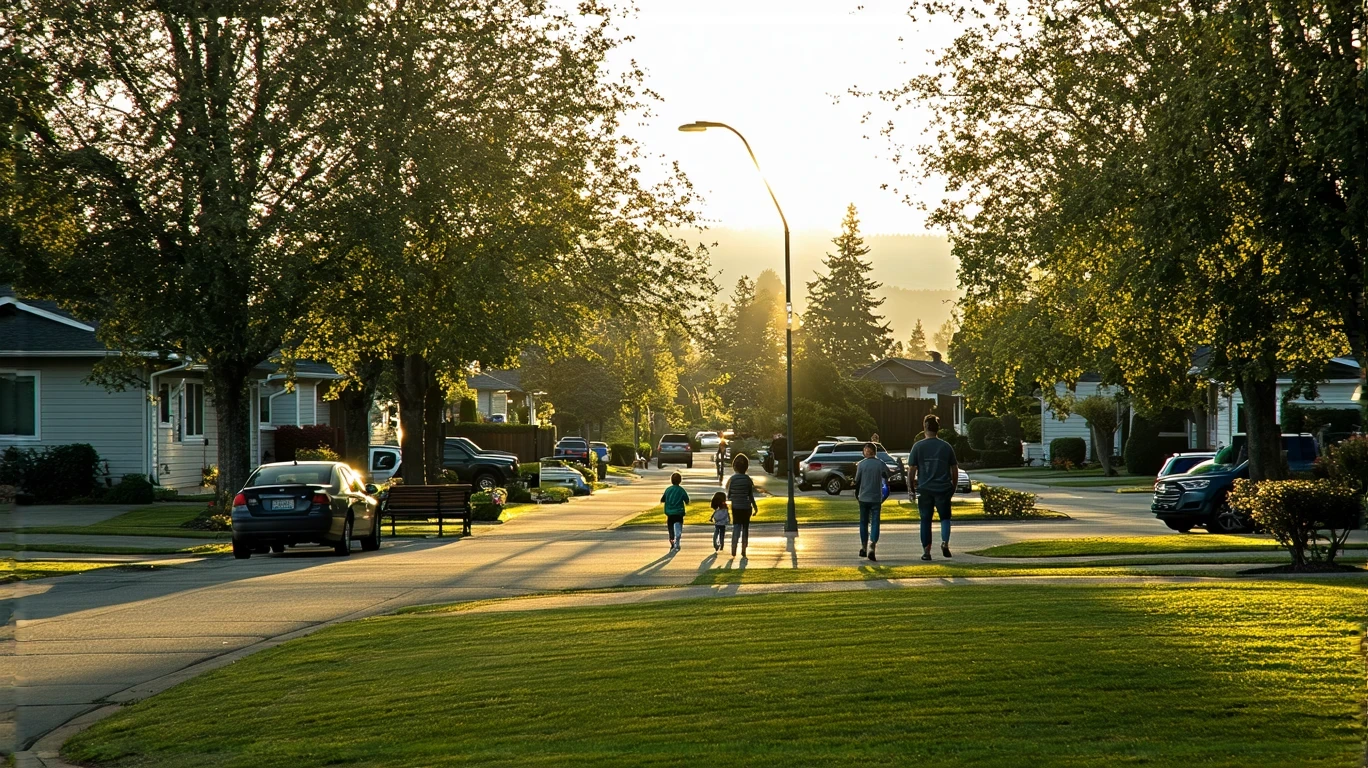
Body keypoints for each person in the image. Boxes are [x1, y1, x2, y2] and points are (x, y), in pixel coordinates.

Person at [908, 414, 959, 561]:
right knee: (945, 518)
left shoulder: (918, 447)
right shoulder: (946, 446)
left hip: (924, 489)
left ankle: (926, 551)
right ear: (938, 429)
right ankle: (945, 542)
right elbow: (954, 469)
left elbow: (911, 470)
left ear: (924, 427)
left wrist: (911, 488)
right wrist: (953, 487)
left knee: (925, 520)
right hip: (943, 488)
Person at [853, 442, 889, 561]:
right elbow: (886, 475)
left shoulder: (861, 465)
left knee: (863, 522)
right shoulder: (881, 464)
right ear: (875, 452)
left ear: (866, 452)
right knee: (875, 522)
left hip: (863, 497)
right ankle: (872, 544)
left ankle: (863, 547)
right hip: (876, 497)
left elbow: (857, 480)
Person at [725, 453, 757, 557]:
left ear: (734, 467)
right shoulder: (748, 479)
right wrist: (755, 507)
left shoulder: (732, 479)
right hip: (746, 507)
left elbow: (728, 495)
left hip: (736, 507)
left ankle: (733, 547)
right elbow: (750, 495)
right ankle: (744, 548)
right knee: (745, 528)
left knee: (736, 527)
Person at [661, 471, 689, 551]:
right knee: (678, 525)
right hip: (679, 512)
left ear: (671, 480)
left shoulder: (668, 490)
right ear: (680, 481)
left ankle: (672, 539)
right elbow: (686, 499)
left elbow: (663, 499)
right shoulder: (681, 490)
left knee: (670, 527)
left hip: (670, 513)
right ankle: (678, 537)